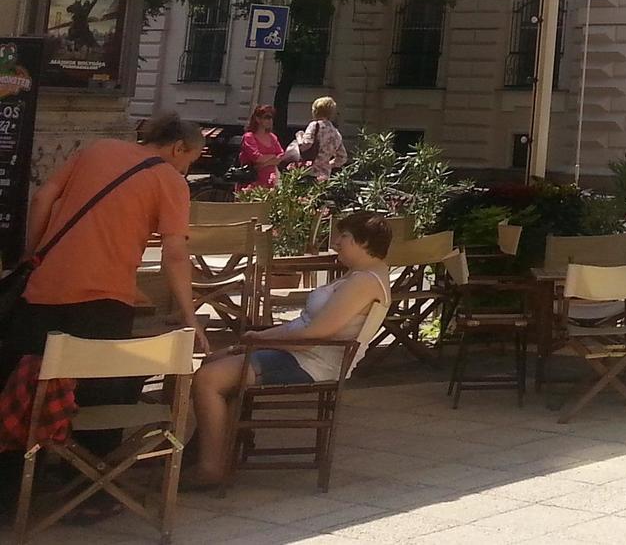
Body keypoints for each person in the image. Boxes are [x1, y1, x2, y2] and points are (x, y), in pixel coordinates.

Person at [0, 115, 208, 512]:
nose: (187, 169)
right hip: (103, 302)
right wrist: (190, 315)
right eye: (191, 160)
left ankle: (12, 488)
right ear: (179, 147)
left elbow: (43, 197)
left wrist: (33, 255)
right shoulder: (170, 181)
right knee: (105, 388)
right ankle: (87, 489)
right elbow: (175, 254)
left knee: (22, 386)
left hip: (41, 293)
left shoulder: (98, 149)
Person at [185, 210, 391, 487]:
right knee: (213, 363)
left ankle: (211, 468)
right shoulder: (360, 276)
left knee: (208, 378)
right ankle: (213, 452)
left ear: (364, 242)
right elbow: (307, 327)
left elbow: (317, 332)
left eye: (344, 236)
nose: (336, 243)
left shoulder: (364, 282)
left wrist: (257, 339)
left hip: (310, 361)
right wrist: (254, 339)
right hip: (299, 352)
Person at [281, 97, 347, 181]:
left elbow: (305, 145)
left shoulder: (314, 126)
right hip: (324, 175)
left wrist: (299, 136)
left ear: (316, 111)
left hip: (309, 172)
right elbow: (342, 157)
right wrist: (327, 164)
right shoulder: (336, 133)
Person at [237, 105, 285, 192]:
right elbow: (257, 158)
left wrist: (264, 164)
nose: (270, 120)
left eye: (271, 118)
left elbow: (281, 155)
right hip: (251, 181)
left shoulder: (272, 137)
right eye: (267, 117)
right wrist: (273, 157)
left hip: (270, 181)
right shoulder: (249, 137)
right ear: (257, 119)